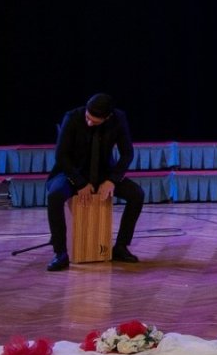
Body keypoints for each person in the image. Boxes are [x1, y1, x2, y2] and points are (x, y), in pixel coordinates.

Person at [45, 93, 145, 271]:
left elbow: (127, 153)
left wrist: (112, 180)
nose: (89, 123)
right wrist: (80, 183)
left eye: (94, 121)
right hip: (71, 172)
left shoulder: (118, 118)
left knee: (137, 194)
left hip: (103, 174)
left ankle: (121, 246)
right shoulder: (72, 117)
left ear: (107, 117)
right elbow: (61, 156)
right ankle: (60, 252)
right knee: (55, 195)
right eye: (87, 118)